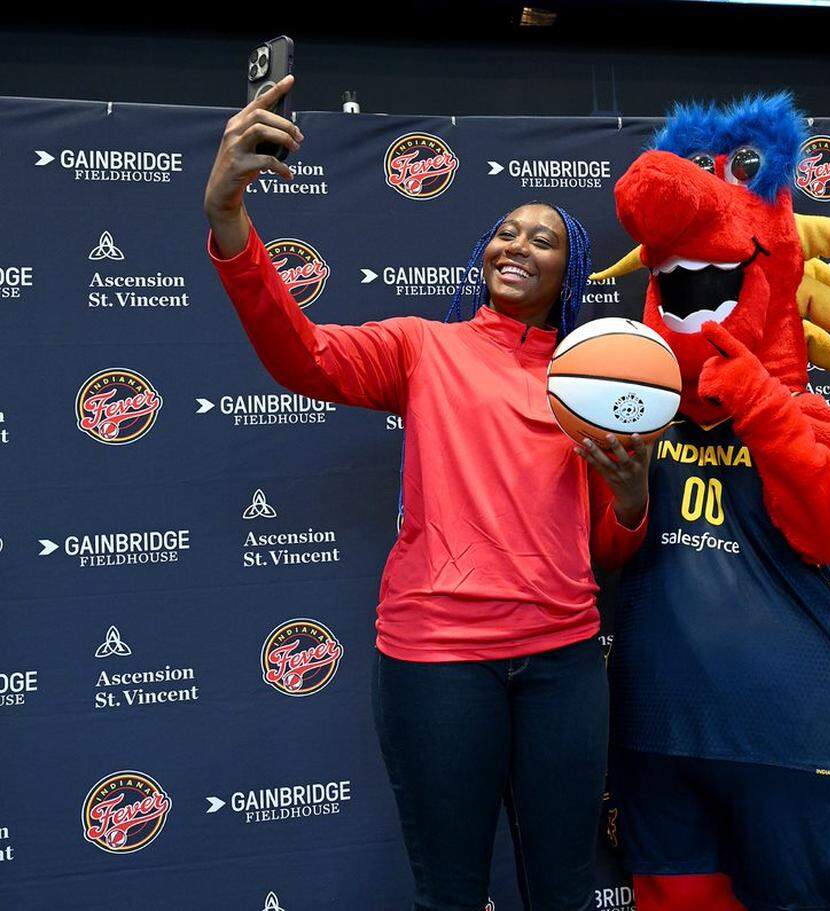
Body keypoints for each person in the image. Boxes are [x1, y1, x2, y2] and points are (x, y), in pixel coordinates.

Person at [203, 74, 651, 911]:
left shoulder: (594, 377)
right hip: (439, 661)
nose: (515, 245)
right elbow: (300, 356)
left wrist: (629, 499)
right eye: (504, 232)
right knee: (450, 891)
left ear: (573, 268)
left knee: (563, 888)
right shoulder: (425, 346)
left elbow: (605, 548)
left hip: (563, 661)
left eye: (542, 239)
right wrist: (231, 221)